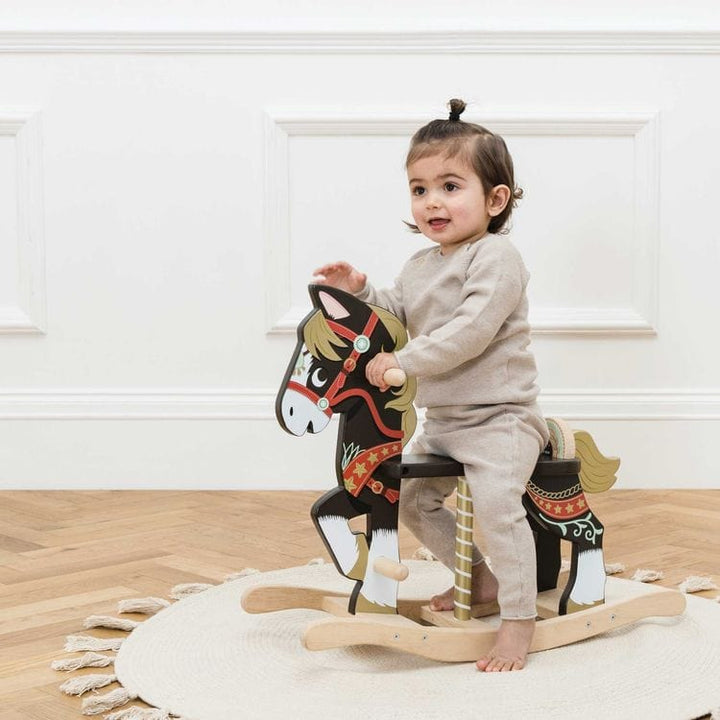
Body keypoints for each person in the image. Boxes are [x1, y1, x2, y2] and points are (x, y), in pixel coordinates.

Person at [313, 99, 549, 672]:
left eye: (450, 186)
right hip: (445, 423)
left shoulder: (496, 256)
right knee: (413, 501)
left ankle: (519, 618)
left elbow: (469, 331)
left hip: (500, 420)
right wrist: (361, 293)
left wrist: (404, 361)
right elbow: (397, 315)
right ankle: (479, 579)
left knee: (496, 506)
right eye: (419, 190)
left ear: (495, 199)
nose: (432, 202)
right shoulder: (421, 264)